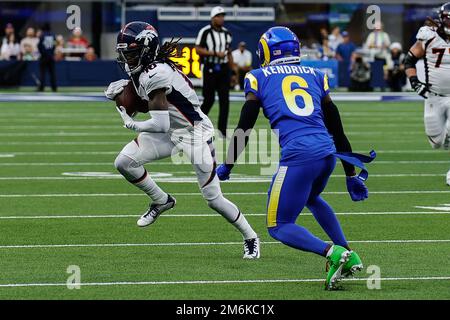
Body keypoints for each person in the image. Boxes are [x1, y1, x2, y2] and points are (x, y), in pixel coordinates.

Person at [216, 26, 375, 290]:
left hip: (299, 156)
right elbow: (338, 130)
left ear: (268, 51)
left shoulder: (258, 77)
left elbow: (244, 127)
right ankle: (348, 252)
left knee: (278, 225)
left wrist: (228, 165)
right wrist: (350, 174)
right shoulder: (315, 74)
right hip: (327, 154)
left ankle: (332, 252)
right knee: (311, 198)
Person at [104, 21, 260, 259]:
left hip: (194, 135)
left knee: (214, 199)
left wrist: (131, 123)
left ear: (147, 50)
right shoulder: (145, 71)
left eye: (131, 53)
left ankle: (251, 237)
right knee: (124, 162)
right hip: (170, 133)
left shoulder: (157, 73)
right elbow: (145, 108)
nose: (127, 58)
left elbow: (159, 122)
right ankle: (161, 200)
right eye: (124, 53)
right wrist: (120, 98)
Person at [404, 2, 450, 185]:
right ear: (441, 18)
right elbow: (409, 60)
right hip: (434, 96)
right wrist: (415, 82)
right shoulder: (428, 36)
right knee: (436, 141)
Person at [195, 6, 233, 138]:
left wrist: (233, 71)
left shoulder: (227, 33)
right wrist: (215, 53)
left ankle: (222, 130)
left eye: (222, 16)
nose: (221, 18)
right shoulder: (205, 32)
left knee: (225, 100)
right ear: (212, 18)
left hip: (223, 69)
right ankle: (197, 125)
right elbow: (197, 49)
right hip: (210, 68)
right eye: (218, 16)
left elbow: (229, 53)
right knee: (209, 99)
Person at [37, 23, 57, 92]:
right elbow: (54, 45)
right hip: (51, 56)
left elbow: (39, 45)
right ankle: (54, 88)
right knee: (52, 73)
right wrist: (51, 53)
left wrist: (42, 53)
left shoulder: (42, 35)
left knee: (42, 73)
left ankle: (41, 88)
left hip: (44, 57)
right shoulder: (53, 35)